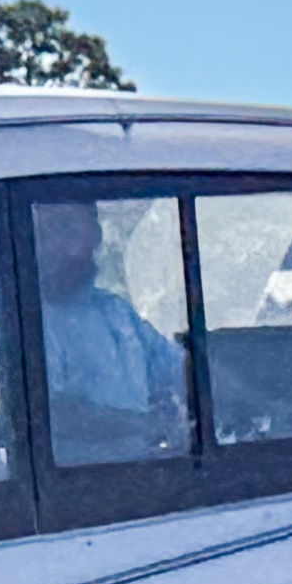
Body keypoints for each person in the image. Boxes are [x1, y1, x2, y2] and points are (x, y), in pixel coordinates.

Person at [35, 197, 188, 460]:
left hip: (139, 467)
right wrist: (144, 424)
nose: (53, 244)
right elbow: (51, 413)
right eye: (42, 232)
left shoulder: (114, 311)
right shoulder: (33, 321)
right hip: (73, 477)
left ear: (95, 235)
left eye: (65, 227)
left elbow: (175, 369)